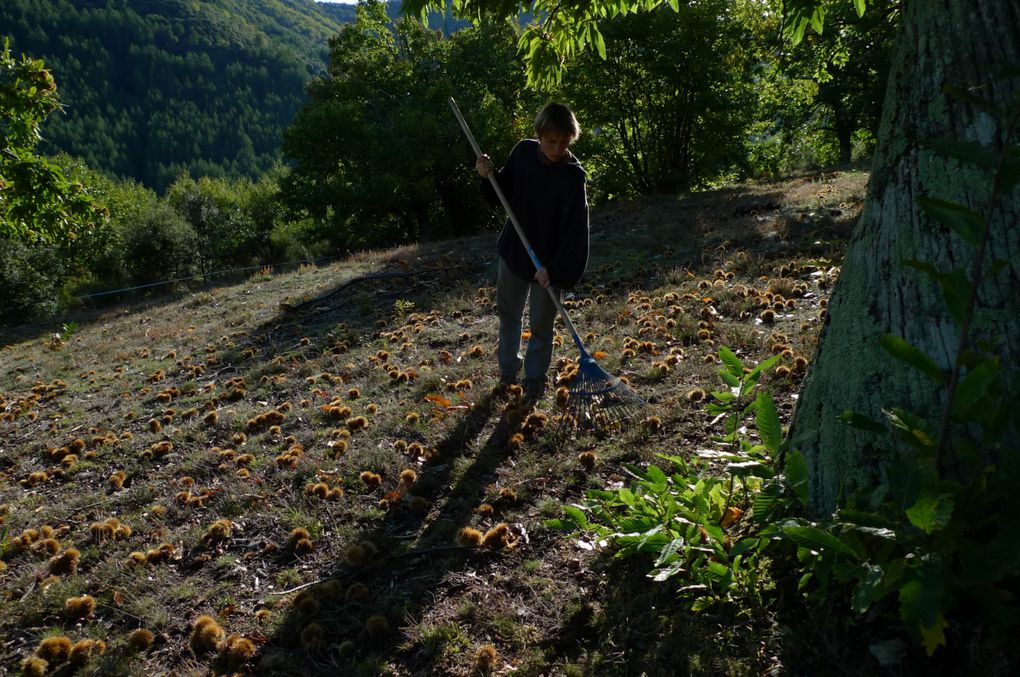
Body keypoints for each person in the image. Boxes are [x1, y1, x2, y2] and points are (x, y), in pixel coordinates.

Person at [475, 101, 589, 404]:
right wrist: (488, 176)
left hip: (549, 264)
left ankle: (535, 379)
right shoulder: (524, 153)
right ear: (539, 135)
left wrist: (556, 268)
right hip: (515, 250)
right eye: (551, 141)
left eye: (564, 142)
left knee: (541, 324)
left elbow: (576, 231)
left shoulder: (572, 177)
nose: (556, 149)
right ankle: (508, 370)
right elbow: (504, 194)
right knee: (509, 314)